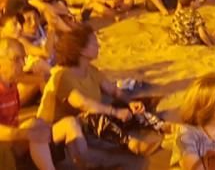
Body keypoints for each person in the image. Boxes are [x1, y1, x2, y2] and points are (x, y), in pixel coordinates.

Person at [37, 23, 163, 159]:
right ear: (81, 50)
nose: (98, 46)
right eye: (94, 43)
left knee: (132, 103)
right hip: (58, 133)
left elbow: (113, 90)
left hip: (84, 124)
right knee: (95, 114)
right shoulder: (63, 76)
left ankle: (161, 126)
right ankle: (131, 144)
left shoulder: (90, 70)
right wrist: (115, 112)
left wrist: (131, 102)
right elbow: (83, 104)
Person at [0, 37, 56, 170]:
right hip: (4, 145)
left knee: (41, 125)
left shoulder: (11, 84)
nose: (22, 64)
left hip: (10, 140)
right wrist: (27, 134)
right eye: (16, 59)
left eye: (23, 58)